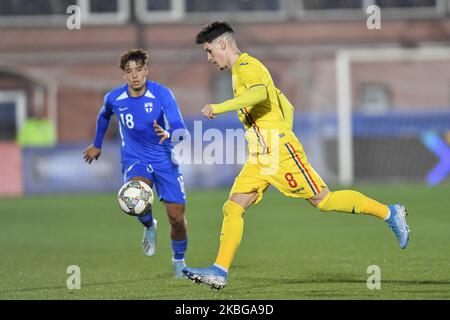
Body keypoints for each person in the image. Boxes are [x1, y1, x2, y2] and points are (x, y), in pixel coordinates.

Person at [182, 22, 410, 290]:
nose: (209, 58)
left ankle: (389, 212)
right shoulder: (240, 72)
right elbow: (285, 103)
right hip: (261, 155)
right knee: (232, 207)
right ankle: (219, 271)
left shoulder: (246, 66)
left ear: (223, 44)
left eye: (209, 51)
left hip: (277, 152)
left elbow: (261, 93)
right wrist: (277, 131)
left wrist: (224, 109)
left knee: (323, 201)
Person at [83, 49, 189, 279]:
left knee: (177, 218)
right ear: (123, 75)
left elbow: (181, 129)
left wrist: (170, 135)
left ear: (146, 71)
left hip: (164, 157)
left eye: (139, 70)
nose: (135, 76)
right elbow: (103, 116)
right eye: (129, 71)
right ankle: (150, 225)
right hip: (135, 158)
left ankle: (179, 261)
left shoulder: (162, 94)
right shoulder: (114, 98)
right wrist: (97, 144)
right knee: (135, 195)